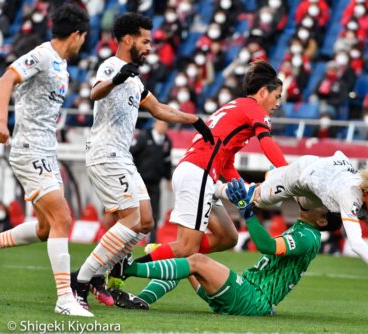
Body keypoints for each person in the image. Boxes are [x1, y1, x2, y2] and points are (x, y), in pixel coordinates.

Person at [111, 60, 288, 308]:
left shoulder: (234, 107)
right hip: (199, 174)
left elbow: (225, 162)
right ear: (262, 93)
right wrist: (286, 172)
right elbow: (267, 142)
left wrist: (244, 188)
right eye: (277, 96)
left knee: (228, 237)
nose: (278, 102)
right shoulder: (253, 110)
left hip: (199, 172)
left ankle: (165, 256)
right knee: (186, 248)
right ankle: (129, 268)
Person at [71, 12, 214, 309]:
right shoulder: (112, 66)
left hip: (121, 156)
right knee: (133, 220)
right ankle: (81, 281)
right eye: (145, 41)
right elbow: (95, 93)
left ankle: (100, 276)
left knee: (145, 221)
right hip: (105, 154)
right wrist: (116, 79)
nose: (150, 47)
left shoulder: (135, 80)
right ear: (127, 39)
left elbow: (160, 109)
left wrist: (195, 120)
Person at [217, 151, 368, 309]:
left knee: (304, 204)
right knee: (257, 199)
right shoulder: (349, 195)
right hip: (303, 175)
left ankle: (273, 174)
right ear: (365, 194)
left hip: (321, 187)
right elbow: (357, 242)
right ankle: (214, 188)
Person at [0, 4, 93, 317]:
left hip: (47, 151)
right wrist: (0, 121)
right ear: (76, 35)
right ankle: (65, 298)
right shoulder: (44, 55)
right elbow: (7, 79)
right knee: (63, 218)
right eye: (83, 38)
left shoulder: (62, 64)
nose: (83, 44)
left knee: (46, 227)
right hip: (29, 149)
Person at [111, 179, 339, 314]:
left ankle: (128, 269)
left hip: (254, 299)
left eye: (322, 205)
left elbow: (266, 245)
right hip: (246, 291)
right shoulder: (303, 230)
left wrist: (246, 212)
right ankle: (142, 300)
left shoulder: (308, 236)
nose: (316, 199)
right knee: (190, 255)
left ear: (322, 220)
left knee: (196, 261)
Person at [130, 119, 173, 243]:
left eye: (165, 124)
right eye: (161, 123)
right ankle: (130, 240)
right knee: (135, 211)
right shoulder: (143, 138)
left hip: (155, 183)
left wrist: (168, 179)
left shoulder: (166, 142)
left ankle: (152, 241)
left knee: (154, 213)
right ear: (155, 124)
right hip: (140, 182)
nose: (163, 126)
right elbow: (132, 154)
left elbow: (167, 162)